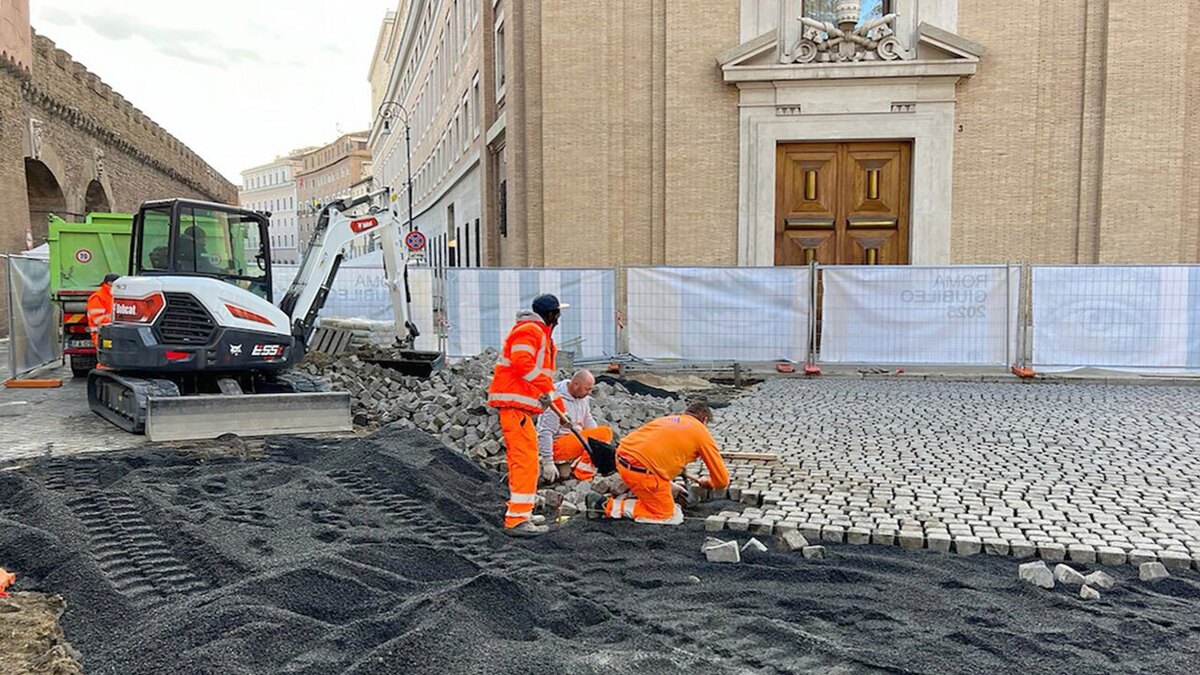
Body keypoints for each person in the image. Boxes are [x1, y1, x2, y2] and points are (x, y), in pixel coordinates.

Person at [487, 293, 569, 537]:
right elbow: (523, 364)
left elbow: (531, 370)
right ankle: (517, 519)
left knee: (525, 459)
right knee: (525, 460)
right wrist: (548, 391)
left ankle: (522, 510)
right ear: (552, 314)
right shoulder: (530, 331)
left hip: (520, 405)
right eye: (557, 313)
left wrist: (551, 400)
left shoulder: (534, 331)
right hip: (515, 405)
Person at [587, 402, 729, 525]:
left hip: (621, 459)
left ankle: (643, 491)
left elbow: (656, 453)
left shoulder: (669, 419)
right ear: (704, 420)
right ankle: (606, 505)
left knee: (657, 484)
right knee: (669, 515)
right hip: (641, 471)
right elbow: (722, 480)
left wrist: (670, 483)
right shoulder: (701, 432)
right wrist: (708, 483)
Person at [536, 369, 614, 482]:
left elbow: (587, 418)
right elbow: (545, 432)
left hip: (571, 439)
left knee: (599, 437)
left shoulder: (581, 396)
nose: (589, 393)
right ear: (576, 384)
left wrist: (599, 444)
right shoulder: (556, 400)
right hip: (557, 445)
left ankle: (576, 465)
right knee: (605, 432)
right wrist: (548, 461)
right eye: (587, 389)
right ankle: (583, 472)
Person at [86, 273, 118, 349]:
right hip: (101, 335)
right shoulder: (97, 297)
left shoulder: (113, 295)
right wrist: (118, 319)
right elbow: (98, 319)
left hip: (112, 334)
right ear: (110, 283)